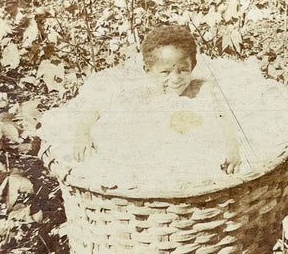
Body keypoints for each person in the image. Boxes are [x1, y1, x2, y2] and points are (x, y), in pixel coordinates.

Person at [72, 24, 242, 174]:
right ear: (148, 70)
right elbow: (96, 108)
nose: (175, 79)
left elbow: (222, 116)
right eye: (165, 72)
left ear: (193, 66)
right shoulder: (144, 92)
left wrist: (232, 145)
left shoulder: (199, 89)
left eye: (183, 70)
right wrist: (83, 133)